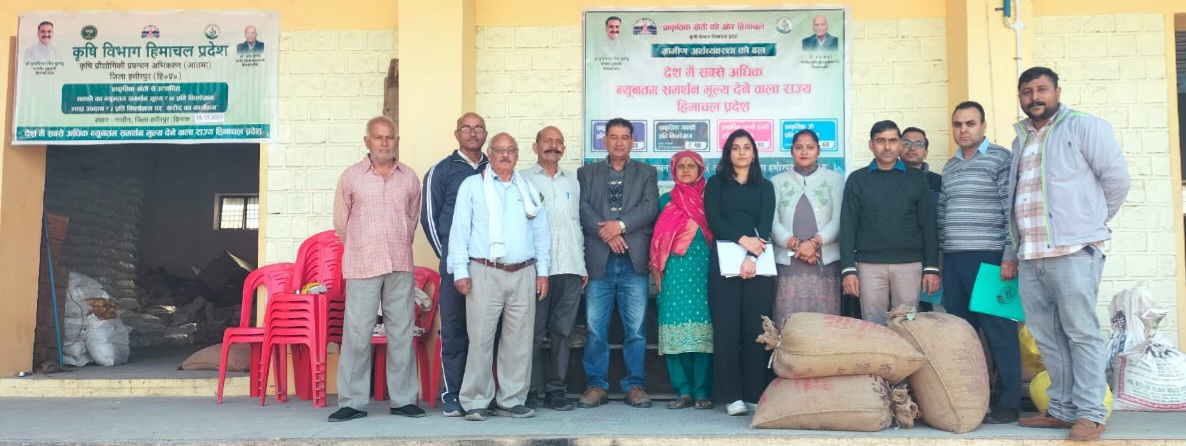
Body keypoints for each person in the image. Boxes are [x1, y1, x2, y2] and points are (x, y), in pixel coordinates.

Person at [1009, 67, 1129, 442]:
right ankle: (1062, 409)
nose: (1034, 97)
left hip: (1073, 250)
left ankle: (1091, 413)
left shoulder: (1084, 126)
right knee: (1047, 337)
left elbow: (1117, 179)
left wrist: (1090, 224)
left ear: (1057, 92)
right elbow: (1016, 197)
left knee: (1081, 333)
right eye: (1027, 91)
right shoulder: (1020, 139)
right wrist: (1013, 249)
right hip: (1031, 253)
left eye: (1042, 89)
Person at [448, 133, 551, 422]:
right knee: (480, 339)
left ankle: (512, 399)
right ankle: (475, 400)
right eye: (500, 150)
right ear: (490, 154)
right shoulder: (473, 186)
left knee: (519, 341)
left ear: (517, 155)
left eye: (511, 150)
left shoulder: (528, 188)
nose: (505, 155)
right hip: (484, 271)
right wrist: (460, 271)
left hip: (523, 272)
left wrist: (542, 272)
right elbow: (460, 231)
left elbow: (541, 234)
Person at [328, 116, 424, 422]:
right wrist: (362, 246)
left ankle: (403, 399)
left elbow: (412, 220)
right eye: (378, 137)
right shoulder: (351, 177)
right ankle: (352, 403)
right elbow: (341, 224)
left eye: (390, 137)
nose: (385, 142)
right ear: (367, 141)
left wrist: (395, 241)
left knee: (401, 333)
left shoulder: (409, 178)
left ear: (397, 141)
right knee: (357, 334)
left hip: (399, 263)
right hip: (363, 264)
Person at [939, 100, 1021, 425]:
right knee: (963, 335)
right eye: (958, 124)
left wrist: (1009, 255)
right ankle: (973, 401)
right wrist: (941, 261)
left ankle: (1009, 402)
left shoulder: (1000, 159)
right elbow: (943, 214)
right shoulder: (950, 167)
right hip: (954, 260)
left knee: (1000, 332)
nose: (963, 130)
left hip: (991, 260)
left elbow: (1011, 209)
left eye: (970, 123)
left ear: (983, 127)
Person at [576, 117, 659, 409]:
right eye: (614, 136)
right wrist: (608, 234)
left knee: (635, 329)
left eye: (625, 137)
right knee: (595, 328)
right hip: (599, 262)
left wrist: (620, 226)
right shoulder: (586, 173)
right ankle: (596, 386)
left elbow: (650, 208)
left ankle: (635, 385)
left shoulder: (647, 173)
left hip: (633, 263)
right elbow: (583, 208)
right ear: (605, 140)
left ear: (632, 141)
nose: (619, 142)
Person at [421, 112, 490, 417]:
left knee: (485, 334)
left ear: (485, 134)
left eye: (478, 129)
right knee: (454, 330)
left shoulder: (494, 168)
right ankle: (453, 395)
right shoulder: (441, 171)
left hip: (488, 268)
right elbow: (429, 218)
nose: (473, 134)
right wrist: (449, 258)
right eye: (467, 128)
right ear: (457, 134)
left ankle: (480, 395)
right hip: (454, 266)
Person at [839, 120, 940, 326]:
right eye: (880, 141)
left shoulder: (916, 179)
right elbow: (848, 225)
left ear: (900, 144)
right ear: (871, 145)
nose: (887, 146)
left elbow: (929, 225)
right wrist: (848, 268)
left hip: (909, 265)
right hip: (869, 265)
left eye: (893, 141)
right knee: (873, 324)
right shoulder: (857, 179)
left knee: (907, 324)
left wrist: (931, 267)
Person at [705, 129, 776, 416]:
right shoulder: (716, 183)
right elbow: (714, 220)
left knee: (755, 329)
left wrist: (751, 255)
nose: (742, 152)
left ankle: (754, 393)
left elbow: (766, 224)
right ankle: (731, 395)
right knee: (727, 329)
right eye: (736, 148)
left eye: (747, 147)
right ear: (728, 153)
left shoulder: (765, 187)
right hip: (724, 262)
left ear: (754, 153)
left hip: (758, 262)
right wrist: (743, 240)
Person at [519, 126, 586, 412]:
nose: (553, 146)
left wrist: (582, 264)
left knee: (563, 332)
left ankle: (557, 390)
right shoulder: (522, 180)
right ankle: (530, 389)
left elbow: (577, 224)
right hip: (536, 270)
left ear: (564, 149)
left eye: (558, 142)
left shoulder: (573, 182)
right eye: (547, 141)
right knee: (532, 333)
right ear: (535, 147)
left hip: (570, 267)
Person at [649, 150, 714, 411]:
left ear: (700, 170)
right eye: (681, 166)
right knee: (674, 329)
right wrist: (655, 264)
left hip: (704, 271)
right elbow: (656, 237)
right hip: (673, 272)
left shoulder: (710, 199)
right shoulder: (666, 200)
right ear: (674, 171)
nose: (686, 170)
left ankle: (702, 391)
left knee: (703, 332)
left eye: (691, 165)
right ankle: (683, 390)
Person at [769, 129, 845, 326]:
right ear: (791, 151)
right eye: (799, 147)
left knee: (824, 324)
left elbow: (839, 219)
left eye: (810, 147)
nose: (804, 152)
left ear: (818, 151)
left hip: (824, 261)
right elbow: (772, 222)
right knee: (788, 323)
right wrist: (797, 245)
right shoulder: (777, 182)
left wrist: (814, 243)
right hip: (787, 263)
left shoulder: (835, 180)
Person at [900, 126, 942, 312]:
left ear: (926, 152)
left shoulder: (939, 182)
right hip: (902, 257)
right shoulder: (887, 179)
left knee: (930, 311)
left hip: (934, 255)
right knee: (902, 311)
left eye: (918, 144)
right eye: (906, 143)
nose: (912, 148)